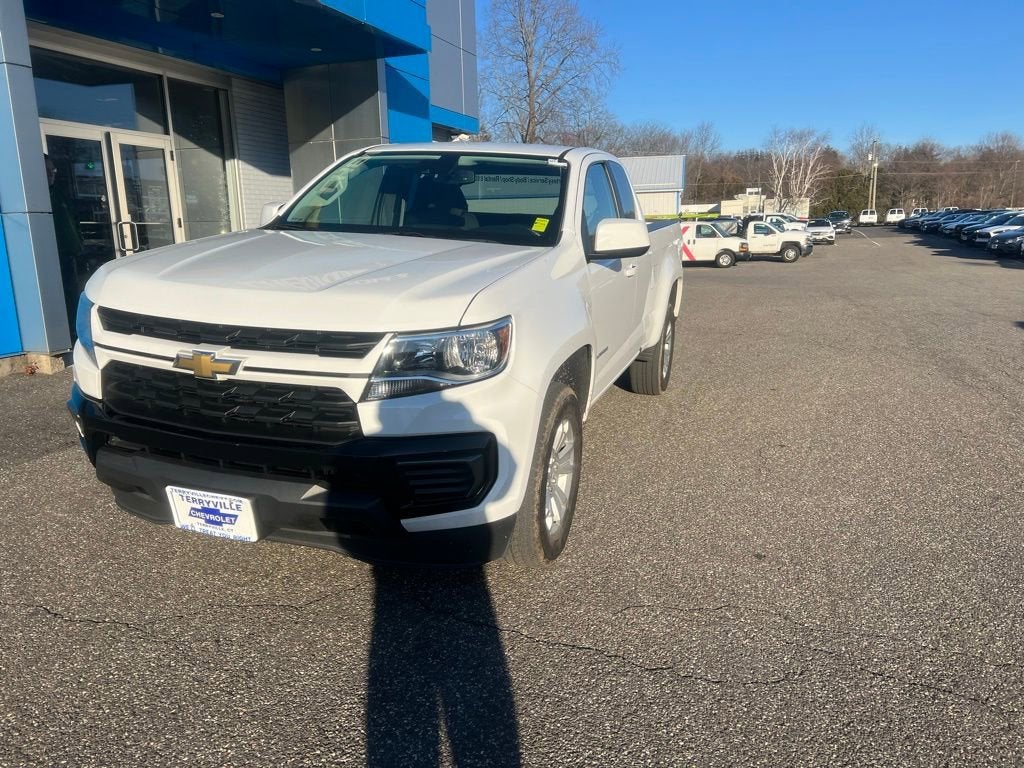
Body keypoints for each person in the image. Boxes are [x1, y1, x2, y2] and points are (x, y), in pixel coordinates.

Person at [46, 154, 83, 339]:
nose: (51, 174)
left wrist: (79, 246)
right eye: (46, 171)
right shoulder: (37, 198)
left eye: (53, 170)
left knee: (72, 297)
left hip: (68, 256)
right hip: (49, 259)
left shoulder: (59, 194)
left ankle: (75, 332)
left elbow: (73, 223)